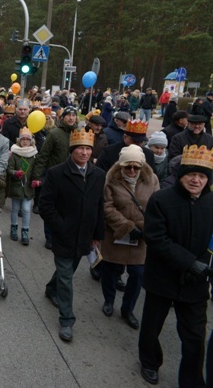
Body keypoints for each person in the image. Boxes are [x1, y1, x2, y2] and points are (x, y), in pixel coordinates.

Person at [138, 145, 213, 386]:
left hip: (196, 284)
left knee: (194, 336)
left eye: (202, 176)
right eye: (191, 174)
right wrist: (190, 263)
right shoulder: (161, 199)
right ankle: (150, 362)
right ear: (180, 175)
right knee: (152, 327)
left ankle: (191, 380)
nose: (196, 180)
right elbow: (156, 238)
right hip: (163, 277)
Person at [40, 129, 105, 342]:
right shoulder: (57, 173)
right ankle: (67, 320)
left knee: (68, 271)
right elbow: (46, 205)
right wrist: (61, 226)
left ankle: (51, 289)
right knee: (67, 277)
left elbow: (99, 206)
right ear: (72, 151)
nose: (85, 153)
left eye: (88, 149)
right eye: (80, 149)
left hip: (85, 235)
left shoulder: (98, 174)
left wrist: (97, 234)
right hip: (64, 235)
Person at [99, 145, 159, 330]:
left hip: (140, 237)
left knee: (137, 274)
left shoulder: (152, 180)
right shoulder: (110, 179)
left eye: (136, 167)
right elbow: (106, 207)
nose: (132, 171)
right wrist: (126, 226)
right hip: (115, 234)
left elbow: (158, 207)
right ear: (120, 165)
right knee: (109, 270)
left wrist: (144, 228)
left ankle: (128, 309)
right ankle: (108, 300)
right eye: (127, 167)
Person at [30, 106, 79, 249]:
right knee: (52, 208)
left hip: (73, 176)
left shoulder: (78, 133)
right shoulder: (54, 133)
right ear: (62, 117)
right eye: (68, 115)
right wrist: (37, 176)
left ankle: (64, 234)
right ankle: (49, 236)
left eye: (73, 115)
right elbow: (43, 155)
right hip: (55, 176)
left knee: (69, 207)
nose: (71, 118)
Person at [6, 127, 37, 244]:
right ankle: (13, 227)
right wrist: (15, 173)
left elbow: (37, 169)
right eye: (23, 139)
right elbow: (9, 169)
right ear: (19, 141)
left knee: (26, 209)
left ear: (31, 141)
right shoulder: (15, 153)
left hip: (28, 186)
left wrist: (36, 180)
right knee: (15, 208)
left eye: (27, 139)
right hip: (16, 185)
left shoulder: (34, 154)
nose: (25, 141)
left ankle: (25, 231)